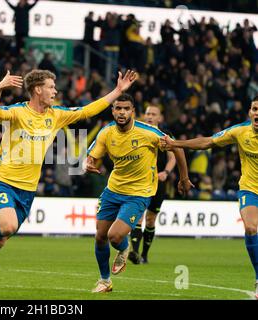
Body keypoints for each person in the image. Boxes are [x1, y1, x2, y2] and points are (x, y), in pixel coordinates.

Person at [0, 68, 138, 299]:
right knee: (6, 226)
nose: (55, 90)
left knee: (0, 243)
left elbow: (88, 110)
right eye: (51, 86)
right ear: (38, 89)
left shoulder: (56, 115)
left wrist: (117, 91)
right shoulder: (18, 111)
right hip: (2, 180)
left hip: (27, 190)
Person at [85, 94, 192, 293]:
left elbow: (178, 149)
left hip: (139, 193)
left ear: (133, 111)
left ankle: (125, 248)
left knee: (115, 237)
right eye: (118, 108)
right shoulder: (106, 132)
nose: (122, 112)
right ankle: (104, 281)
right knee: (100, 236)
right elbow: (92, 156)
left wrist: (183, 178)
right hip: (113, 190)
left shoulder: (149, 133)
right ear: (113, 111)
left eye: (126, 109)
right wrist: (89, 163)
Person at [161, 96, 258, 300]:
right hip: (250, 189)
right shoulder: (240, 131)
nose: (257, 113)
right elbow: (208, 142)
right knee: (251, 227)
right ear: (249, 112)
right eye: (255, 109)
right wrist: (175, 143)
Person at [128, 105, 177, 264]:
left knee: (150, 219)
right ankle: (134, 253)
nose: (149, 116)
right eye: (147, 113)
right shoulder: (138, 132)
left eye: (153, 114)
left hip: (158, 182)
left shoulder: (165, 135)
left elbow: (173, 157)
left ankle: (144, 255)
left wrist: (166, 173)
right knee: (138, 217)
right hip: (140, 181)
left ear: (160, 118)